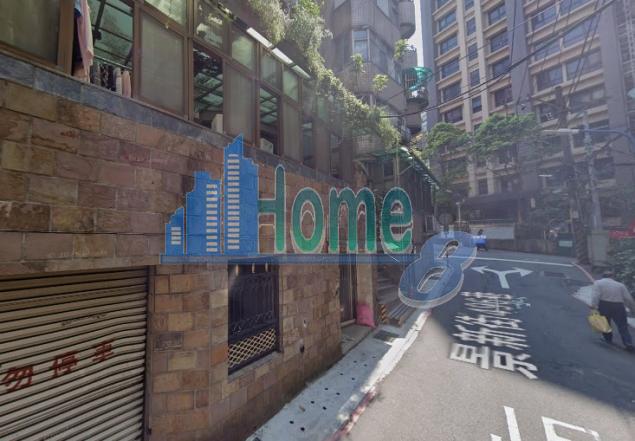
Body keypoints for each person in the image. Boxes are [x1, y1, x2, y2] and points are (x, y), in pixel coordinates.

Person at [591, 270, 635, 352]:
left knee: (606, 323)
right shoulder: (620, 285)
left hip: (604, 305)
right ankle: (628, 342)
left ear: (603, 276)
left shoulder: (598, 283)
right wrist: (632, 309)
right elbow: (628, 298)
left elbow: (596, 295)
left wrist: (593, 306)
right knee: (622, 325)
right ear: (612, 277)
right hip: (618, 306)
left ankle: (608, 339)